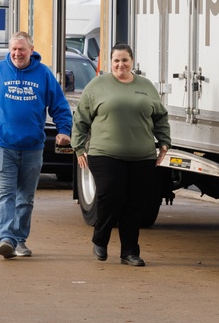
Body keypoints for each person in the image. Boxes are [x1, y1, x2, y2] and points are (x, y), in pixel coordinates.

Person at [0, 31, 73, 259]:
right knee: (5, 194)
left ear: (31, 50)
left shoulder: (43, 75)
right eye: (13, 49)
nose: (17, 54)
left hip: (32, 148)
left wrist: (64, 130)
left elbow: (60, 106)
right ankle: (5, 238)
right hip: (2, 146)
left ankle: (20, 240)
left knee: (25, 197)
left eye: (21, 49)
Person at [72, 42, 170, 266]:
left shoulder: (146, 86)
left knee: (136, 203)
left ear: (132, 62)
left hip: (142, 155)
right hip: (104, 153)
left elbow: (160, 117)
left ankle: (129, 251)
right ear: (111, 62)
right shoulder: (98, 85)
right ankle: (100, 239)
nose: (120, 64)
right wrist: (78, 147)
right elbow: (81, 119)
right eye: (116, 60)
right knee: (111, 194)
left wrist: (164, 142)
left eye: (125, 60)